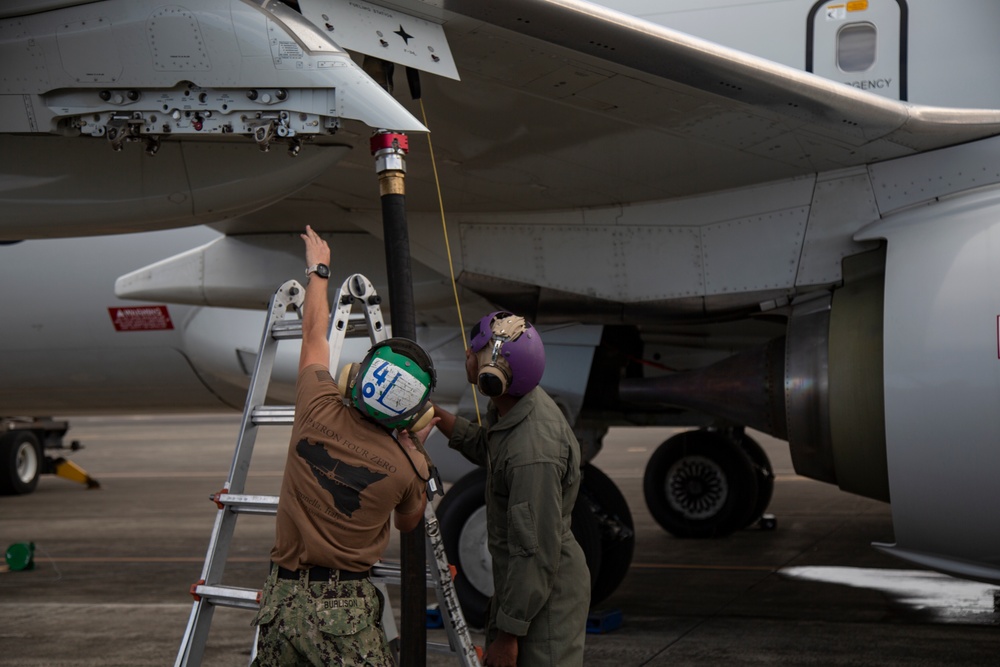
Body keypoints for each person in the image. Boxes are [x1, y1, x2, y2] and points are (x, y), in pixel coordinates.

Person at [252, 225, 436, 666]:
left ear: (356, 377)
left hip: (280, 603)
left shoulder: (316, 405)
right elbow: (409, 524)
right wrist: (416, 449)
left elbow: (315, 333)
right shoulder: (406, 471)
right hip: (344, 614)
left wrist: (320, 270)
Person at [428, 311, 590, 667]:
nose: (468, 354)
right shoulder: (516, 408)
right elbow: (493, 448)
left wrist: (509, 636)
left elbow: (534, 551)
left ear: (493, 372)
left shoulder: (533, 453)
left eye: (474, 351)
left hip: (543, 601)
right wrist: (435, 416)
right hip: (525, 591)